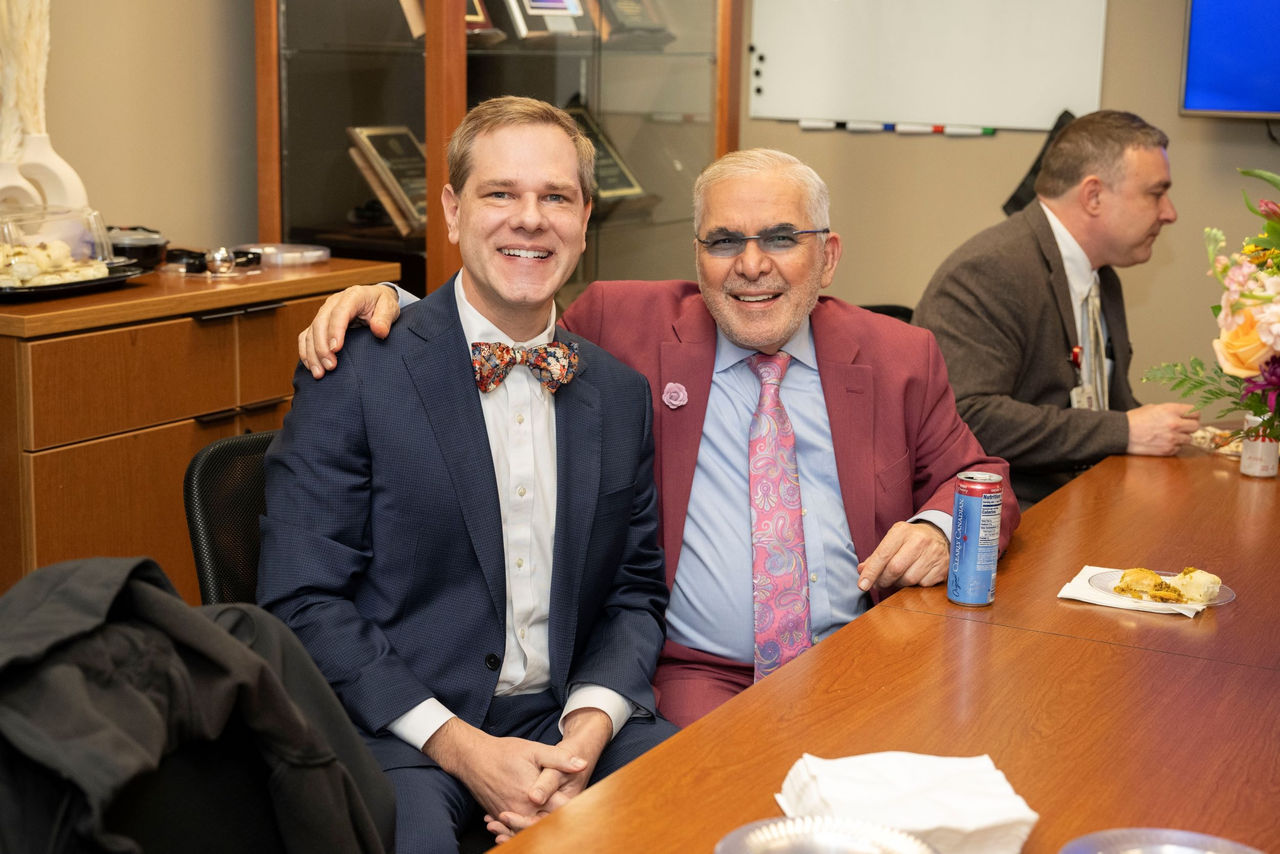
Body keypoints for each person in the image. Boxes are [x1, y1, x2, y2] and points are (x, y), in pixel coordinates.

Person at [297, 148, 1020, 728]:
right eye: (724, 241)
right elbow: (500, 341)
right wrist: (392, 303)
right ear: (697, 255)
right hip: (689, 673)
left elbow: (981, 477)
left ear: (827, 257)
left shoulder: (897, 355)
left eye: (779, 239)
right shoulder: (624, 322)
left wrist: (934, 522)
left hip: (856, 659)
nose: (752, 265)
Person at [257, 96, 676, 854]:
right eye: (500, 194)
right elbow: (300, 597)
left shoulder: (619, 393)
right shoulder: (354, 371)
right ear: (450, 211)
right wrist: (461, 748)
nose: (530, 218)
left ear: (585, 221)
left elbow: (635, 591)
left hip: (566, 718)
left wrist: (584, 734)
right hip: (402, 725)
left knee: (705, 805)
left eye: (555, 197)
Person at [914, 110, 1201, 507]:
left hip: (1089, 500)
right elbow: (968, 417)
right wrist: (1125, 430)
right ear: (1094, 195)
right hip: (1014, 520)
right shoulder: (990, 270)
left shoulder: (1102, 274)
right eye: (1156, 193)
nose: (1170, 212)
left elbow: (1102, 406)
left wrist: (1162, 429)